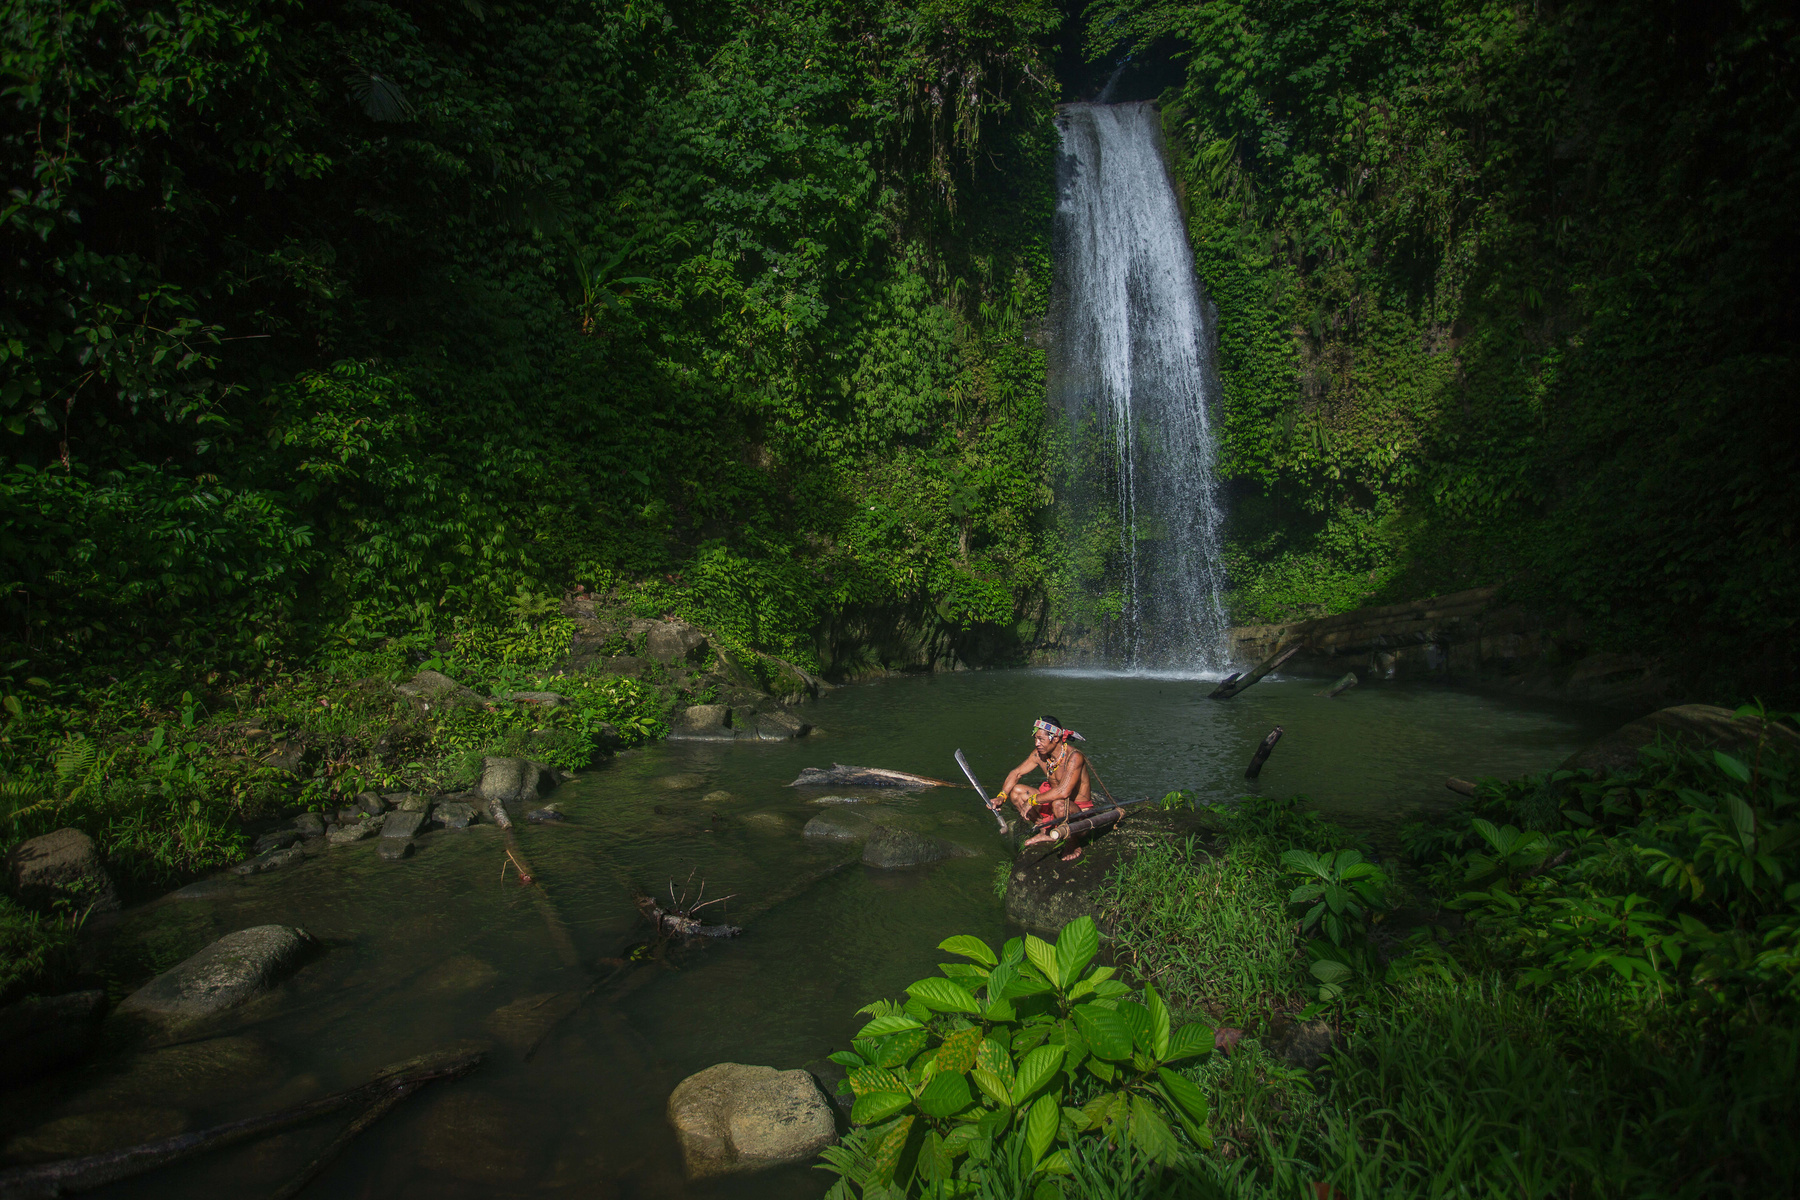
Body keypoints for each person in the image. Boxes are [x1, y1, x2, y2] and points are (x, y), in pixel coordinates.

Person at [993, 715, 1095, 862]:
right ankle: (1046, 830)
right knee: (1016, 793)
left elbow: (1063, 792)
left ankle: (1072, 843)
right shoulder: (1039, 755)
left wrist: (1033, 800)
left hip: (1076, 814)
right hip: (1054, 807)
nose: (1037, 743)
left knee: (1059, 804)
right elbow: (1016, 773)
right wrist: (1001, 796)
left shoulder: (1074, 757)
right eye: (1035, 739)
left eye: (1041, 739)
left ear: (1055, 738)